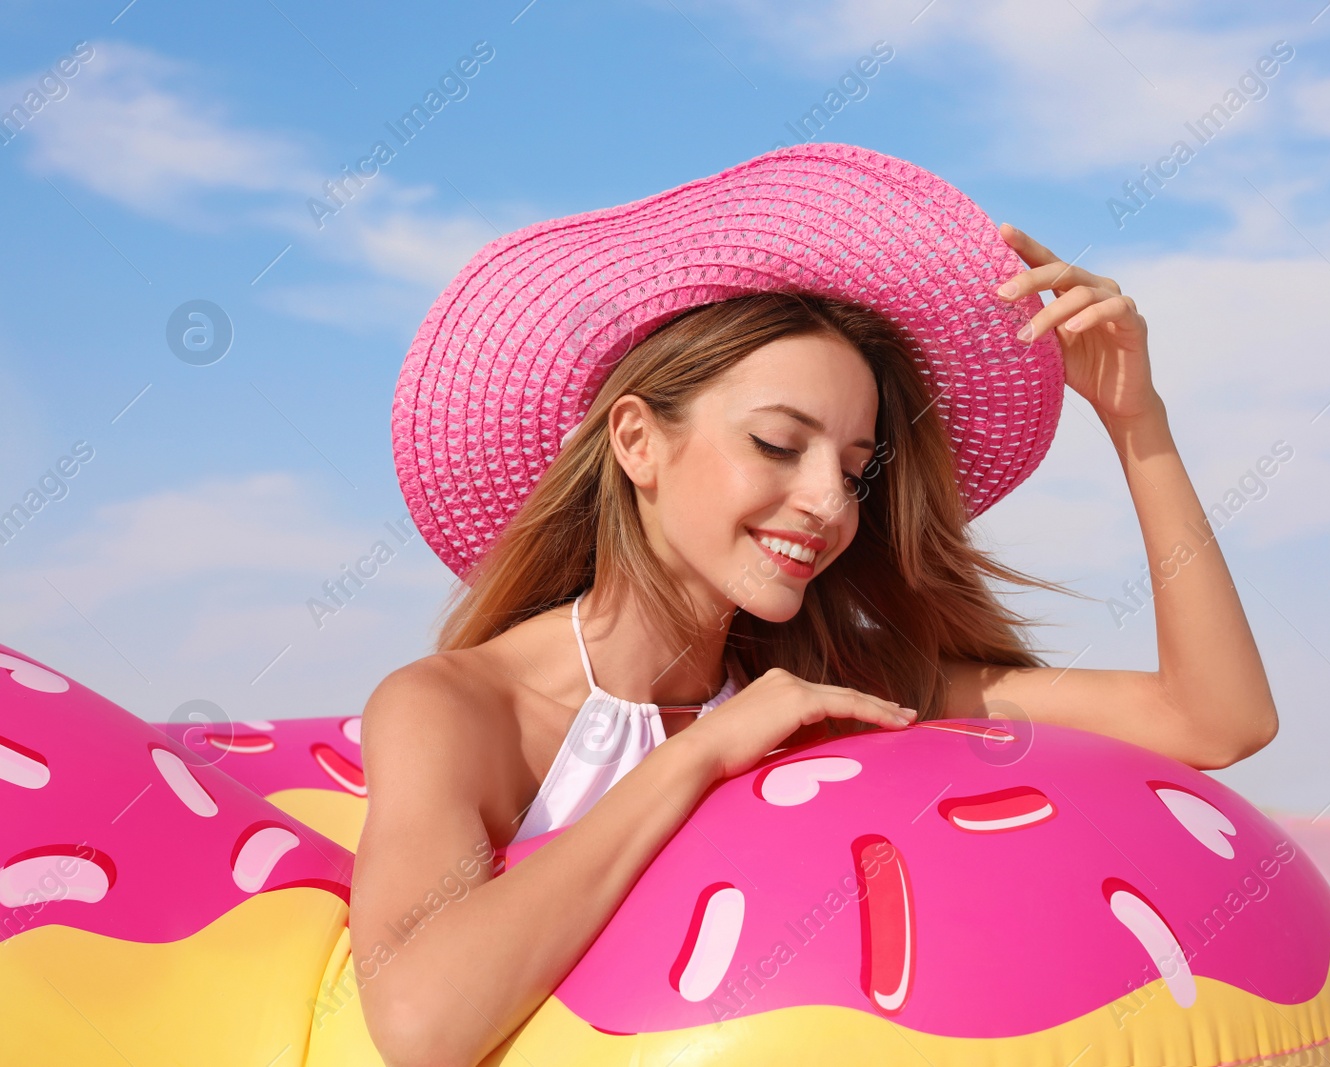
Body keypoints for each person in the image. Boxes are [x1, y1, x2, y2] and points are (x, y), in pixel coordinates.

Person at [350, 143, 1278, 1067]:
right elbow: (420, 1025)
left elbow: (1214, 719)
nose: (829, 505)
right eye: (778, 443)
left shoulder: (834, 690)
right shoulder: (458, 708)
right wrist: (706, 753)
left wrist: (1135, 419)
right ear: (638, 441)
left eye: (853, 468)